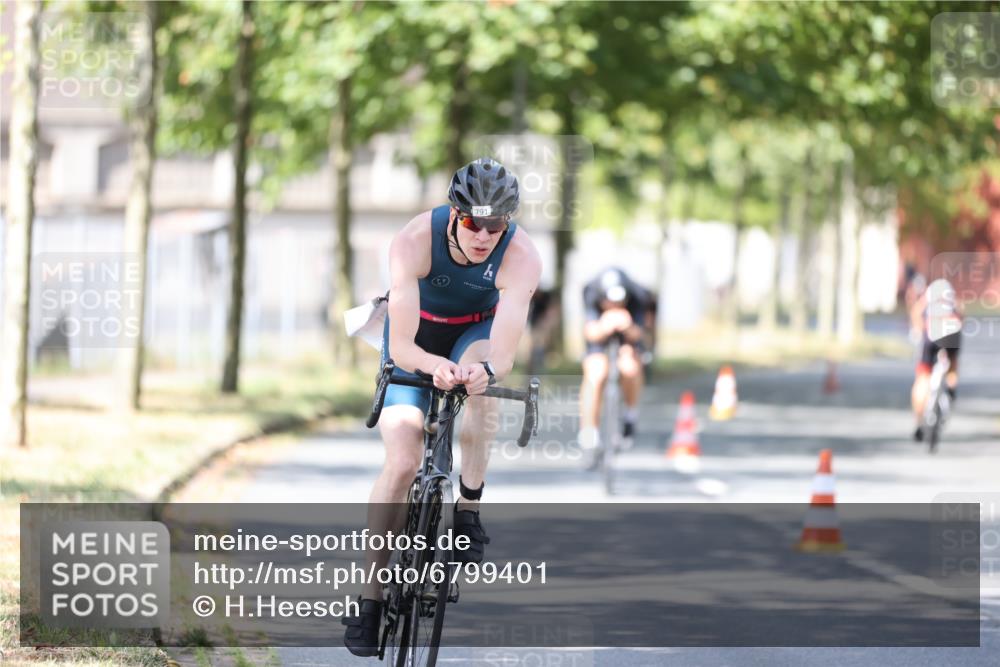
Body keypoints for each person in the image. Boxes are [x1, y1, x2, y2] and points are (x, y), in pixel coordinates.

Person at [342, 158, 541, 657]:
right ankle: (369, 596)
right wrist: (432, 367)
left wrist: (484, 372)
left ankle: (468, 509)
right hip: (417, 335)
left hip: (476, 331)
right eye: (474, 223)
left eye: (495, 225)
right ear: (455, 214)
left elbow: (504, 350)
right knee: (405, 458)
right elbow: (404, 346)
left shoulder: (522, 256)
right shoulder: (413, 240)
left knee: (480, 389)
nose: (483, 235)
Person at [577, 268, 654, 459]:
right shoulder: (592, 291)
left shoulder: (637, 295)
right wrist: (604, 325)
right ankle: (589, 430)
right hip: (600, 335)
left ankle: (630, 414)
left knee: (630, 368)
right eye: (610, 302)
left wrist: (628, 327)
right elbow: (590, 332)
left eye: (619, 302)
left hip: (627, 336)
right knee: (595, 372)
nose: (614, 305)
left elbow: (641, 333)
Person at [910, 277, 963, 442]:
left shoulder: (929, 294)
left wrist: (918, 330)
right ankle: (952, 390)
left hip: (930, 335)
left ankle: (919, 423)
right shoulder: (952, 295)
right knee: (953, 364)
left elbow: (916, 313)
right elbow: (961, 313)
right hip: (952, 333)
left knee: (923, 377)